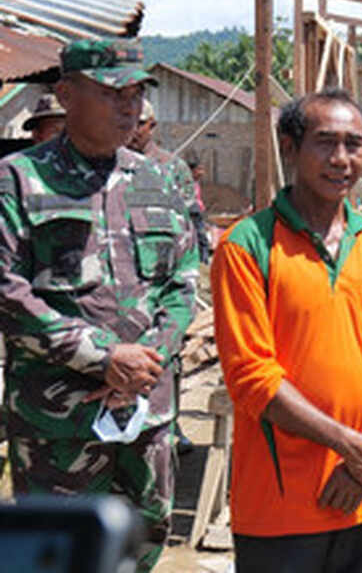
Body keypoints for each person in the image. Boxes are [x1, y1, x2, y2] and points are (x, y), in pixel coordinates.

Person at [0, 39, 197, 573]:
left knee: (140, 550)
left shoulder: (160, 179)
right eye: (113, 93)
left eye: (136, 93)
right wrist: (103, 357)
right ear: (66, 95)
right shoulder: (18, 179)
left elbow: (183, 280)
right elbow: (7, 290)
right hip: (58, 421)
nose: (129, 107)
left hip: (147, 415)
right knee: (58, 557)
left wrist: (147, 360)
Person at [211, 88, 362, 573]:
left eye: (355, 144)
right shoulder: (247, 246)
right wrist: (350, 445)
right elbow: (251, 377)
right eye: (326, 142)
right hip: (281, 504)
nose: (341, 159)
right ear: (289, 148)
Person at [126, 100, 209, 262]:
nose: (133, 129)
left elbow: (192, 218)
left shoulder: (173, 167)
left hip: (161, 259)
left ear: (152, 126)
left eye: (140, 123)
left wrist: (200, 258)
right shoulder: (110, 165)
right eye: (128, 121)